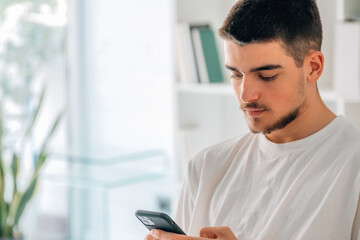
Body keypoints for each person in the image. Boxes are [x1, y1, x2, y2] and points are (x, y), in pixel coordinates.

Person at [145, 0, 360, 239]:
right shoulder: (206, 166)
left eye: (266, 75)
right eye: (236, 74)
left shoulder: (353, 166)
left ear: (313, 67)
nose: (246, 94)